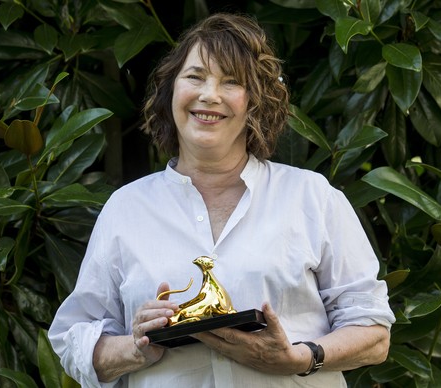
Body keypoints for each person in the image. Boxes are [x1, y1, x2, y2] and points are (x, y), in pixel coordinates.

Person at [48, 13, 395, 388]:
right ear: (170, 91)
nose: (209, 95)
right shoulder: (126, 208)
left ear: (255, 103)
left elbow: (373, 332)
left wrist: (302, 357)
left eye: (231, 82)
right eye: (195, 76)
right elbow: (74, 341)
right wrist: (137, 347)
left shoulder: (313, 198)